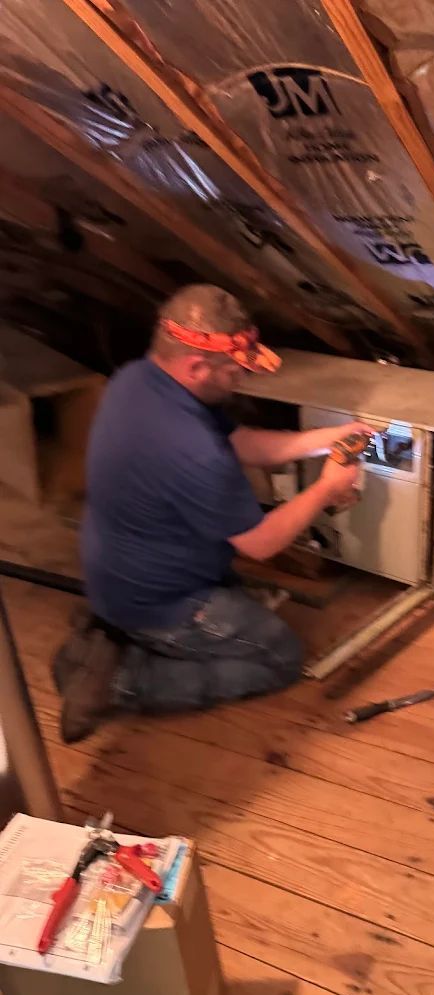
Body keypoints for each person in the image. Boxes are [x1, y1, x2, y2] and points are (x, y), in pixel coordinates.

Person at [56, 283, 368, 742]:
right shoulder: (193, 451)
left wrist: (324, 440)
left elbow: (243, 443)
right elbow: (260, 543)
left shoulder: (138, 381)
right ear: (198, 366)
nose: (243, 378)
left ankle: (115, 633)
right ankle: (122, 682)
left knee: (241, 611)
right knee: (279, 659)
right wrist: (326, 489)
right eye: (235, 370)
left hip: (125, 571)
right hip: (158, 598)